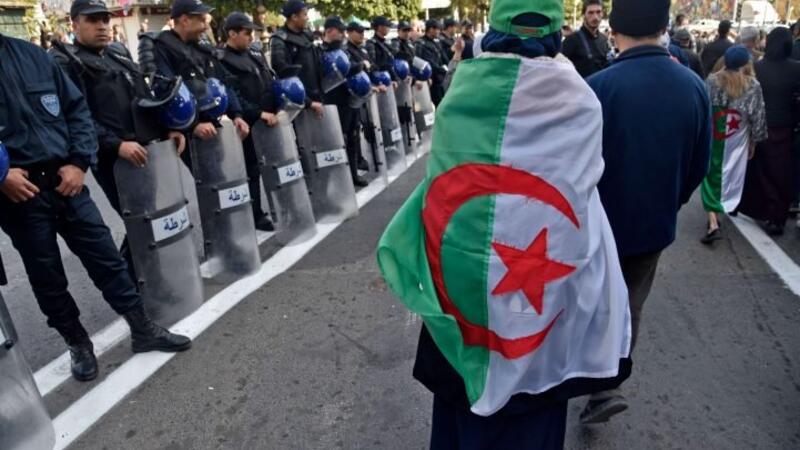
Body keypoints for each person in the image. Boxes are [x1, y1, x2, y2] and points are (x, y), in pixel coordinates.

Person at [378, 0, 632, 446]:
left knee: (464, 415)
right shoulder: (580, 100)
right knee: (533, 418)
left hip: (464, 295)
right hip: (545, 300)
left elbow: (442, 187)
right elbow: (584, 193)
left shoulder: (462, 91)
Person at [0, 25, 191, 384]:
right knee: (47, 277)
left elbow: (77, 112)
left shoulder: (34, 56)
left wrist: (78, 163)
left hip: (67, 181)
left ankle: (142, 328)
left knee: (107, 258)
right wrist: (1, 176)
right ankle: (77, 343)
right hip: (20, 195)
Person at [585, 0, 711, 423]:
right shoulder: (693, 86)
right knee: (631, 304)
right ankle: (607, 384)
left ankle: (581, 376)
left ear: (613, 31)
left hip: (597, 225)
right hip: (654, 225)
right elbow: (700, 163)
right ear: (663, 29)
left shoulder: (598, 87)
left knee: (590, 302)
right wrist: (671, 201)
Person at [50, 0, 189, 281]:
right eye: (92, 20)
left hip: (146, 150)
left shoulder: (117, 53)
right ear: (74, 24)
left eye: (105, 19)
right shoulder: (66, 61)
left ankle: (146, 275)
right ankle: (133, 282)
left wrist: (168, 128)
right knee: (140, 219)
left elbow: (143, 96)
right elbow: (78, 116)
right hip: (114, 159)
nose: (102, 26)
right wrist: (116, 144)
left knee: (153, 215)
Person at [142, 0, 249, 166]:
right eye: (202, 20)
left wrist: (236, 114)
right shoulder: (161, 47)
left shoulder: (201, 47)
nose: (206, 26)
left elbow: (222, 81)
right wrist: (193, 126)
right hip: (186, 135)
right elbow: (164, 90)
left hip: (212, 128)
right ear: (185, 20)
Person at [218, 12, 280, 231]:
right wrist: (258, 113)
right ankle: (255, 214)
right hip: (249, 122)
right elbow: (232, 94)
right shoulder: (222, 59)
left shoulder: (254, 53)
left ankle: (280, 205)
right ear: (232, 33)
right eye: (246, 33)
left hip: (270, 120)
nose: (251, 37)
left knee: (274, 164)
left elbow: (268, 80)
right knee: (251, 170)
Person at [700, 46, 767, 242]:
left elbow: (704, 109)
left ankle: (713, 221)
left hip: (715, 135)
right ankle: (723, 209)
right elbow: (758, 116)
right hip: (738, 139)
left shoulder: (711, 81)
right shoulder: (753, 86)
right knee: (731, 174)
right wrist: (755, 141)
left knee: (710, 174)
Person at [738, 29, 800, 236]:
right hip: (785, 128)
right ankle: (776, 216)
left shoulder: (757, 67)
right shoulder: (796, 69)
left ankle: (757, 208)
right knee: (780, 173)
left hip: (758, 125)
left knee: (758, 170)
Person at [322, 18, 369, 187]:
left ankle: (353, 175)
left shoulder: (344, 50)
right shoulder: (319, 51)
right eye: (340, 31)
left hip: (349, 99)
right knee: (335, 141)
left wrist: (359, 66)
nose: (342, 34)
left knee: (352, 138)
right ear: (329, 30)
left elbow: (352, 67)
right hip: (331, 102)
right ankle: (336, 179)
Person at [270, 0, 325, 118]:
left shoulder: (307, 36)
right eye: (304, 14)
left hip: (317, 98)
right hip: (297, 105)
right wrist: (308, 102)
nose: (307, 18)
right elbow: (284, 76)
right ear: (294, 17)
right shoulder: (279, 40)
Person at [562, 0, 611, 78]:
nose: (595, 17)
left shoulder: (604, 40)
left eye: (598, 12)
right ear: (583, 15)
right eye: (590, 13)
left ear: (602, 14)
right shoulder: (572, 40)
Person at [415, 19, 448, 106]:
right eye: (437, 29)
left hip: (440, 79)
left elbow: (443, 58)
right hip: (428, 80)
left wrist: (447, 68)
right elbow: (423, 62)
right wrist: (442, 70)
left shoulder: (436, 42)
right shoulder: (421, 43)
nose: (439, 31)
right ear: (430, 29)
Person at [366, 16, 397, 82]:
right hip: (380, 81)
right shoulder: (371, 43)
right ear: (380, 27)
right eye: (387, 26)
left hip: (389, 79)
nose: (389, 28)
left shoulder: (385, 43)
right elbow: (372, 65)